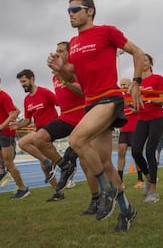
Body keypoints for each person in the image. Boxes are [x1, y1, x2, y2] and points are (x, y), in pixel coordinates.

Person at [47, 0, 144, 231]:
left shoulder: (107, 31)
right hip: (91, 103)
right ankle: (126, 210)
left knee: (77, 139)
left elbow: (138, 53)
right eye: (68, 11)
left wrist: (136, 82)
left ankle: (106, 189)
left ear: (89, 11)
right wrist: (61, 70)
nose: (71, 14)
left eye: (75, 9)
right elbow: (73, 77)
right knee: (104, 162)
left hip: (109, 99)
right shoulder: (75, 43)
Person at [34, 42, 99, 212]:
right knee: (38, 139)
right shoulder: (54, 75)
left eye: (61, 51)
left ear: (69, 54)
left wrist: (65, 78)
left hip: (82, 118)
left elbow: (85, 93)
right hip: (65, 118)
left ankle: (96, 199)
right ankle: (65, 165)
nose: (57, 54)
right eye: (56, 51)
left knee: (86, 163)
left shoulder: (75, 70)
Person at [11, 69, 56, 187]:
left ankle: (49, 161)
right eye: (21, 82)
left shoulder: (45, 92)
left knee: (22, 142)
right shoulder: (27, 100)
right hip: (40, 130)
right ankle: (58, 191)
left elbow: (60, 103)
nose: (22, 85)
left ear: (32, 79)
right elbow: (27, 120)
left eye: (24, 81)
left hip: (52, 128)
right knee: (43, 166)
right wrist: (18, 125)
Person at [131, 53, 163, 203]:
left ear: (151, 63)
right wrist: (134, 106)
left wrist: (151, 99)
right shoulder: (136, 84)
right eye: (140, 61)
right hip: (142, 119)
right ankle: (149, 178)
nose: (143, 63)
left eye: (145, 60)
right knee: (136, 151)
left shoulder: (158, 79)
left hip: (156, 118)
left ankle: (153, 191)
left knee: (150, 151)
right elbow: (134, 103)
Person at [117, 77, 145, 188]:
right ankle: (120, 181)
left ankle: (140, 180)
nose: (123, 86)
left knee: (136, 154)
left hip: (135, 128)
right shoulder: (120, 97)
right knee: (121, 153)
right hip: (124, 129)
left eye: (125, 84)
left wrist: (136, 109)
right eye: (121, 84)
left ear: (130, 85)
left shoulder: (135, 95)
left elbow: (142, 108)